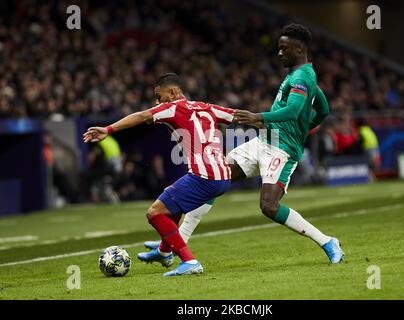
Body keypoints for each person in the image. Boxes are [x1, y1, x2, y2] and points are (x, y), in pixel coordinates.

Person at [145, 24, 344, 264]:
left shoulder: (303, 76)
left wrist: (261, 118)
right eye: (279, 48)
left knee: (269, 206)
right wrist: (307, 127)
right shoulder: (300, 75)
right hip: (264, 141)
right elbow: (323, 109)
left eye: (284, 48)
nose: (279, 53)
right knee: (213, 176)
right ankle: (176, 244)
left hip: (282, 149)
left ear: (299, 48)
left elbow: (293, 110)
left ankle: (326, 241)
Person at [83, 73, 235, 276]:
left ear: (172, 93)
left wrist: (109, 129)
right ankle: (164, 251)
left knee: (154, 213)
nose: (157, 101)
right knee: (170, 202)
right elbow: (237, 115)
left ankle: (190, 261)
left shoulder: (172, 107)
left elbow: (142, 116)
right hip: (223, 176)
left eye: (159, 96)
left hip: (204, 176)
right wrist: (270, 121)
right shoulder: (205, 106)